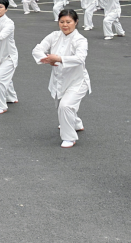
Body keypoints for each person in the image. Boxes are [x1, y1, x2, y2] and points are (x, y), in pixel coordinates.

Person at [32, 9, 90, 148]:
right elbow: (37, 49)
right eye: (62, 22)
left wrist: (59, 58)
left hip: (77, 81)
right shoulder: (54, 36)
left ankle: (69, 138)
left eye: (68, 22)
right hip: (58, 79)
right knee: (62, 106)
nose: (65, 25)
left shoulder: (80, 40)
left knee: (65, 106)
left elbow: (80, 58)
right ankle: (76, 123)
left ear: (76, 22)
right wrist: (46, 59)